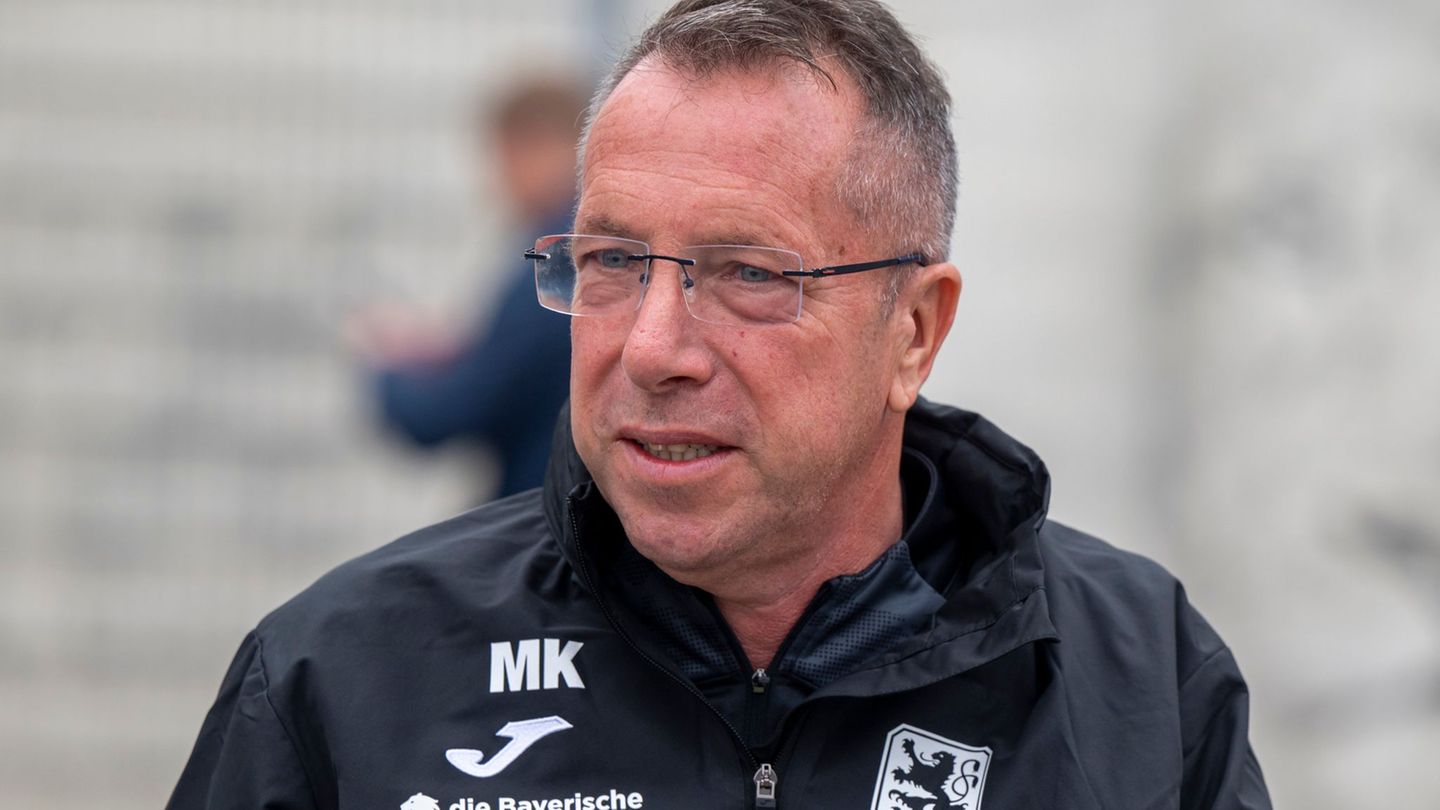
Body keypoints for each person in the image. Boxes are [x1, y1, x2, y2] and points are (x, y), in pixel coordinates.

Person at [169, 2, 1271, 808]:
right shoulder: (343, 682)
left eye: (750, 272)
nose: (652, 348)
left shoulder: (1138, 684)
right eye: (609, 262)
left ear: (915, 331)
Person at [352, 77, 587, 498]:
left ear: (534, 148)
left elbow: (446, 413)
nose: (495, 182)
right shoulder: (602, 247)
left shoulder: (556, 258)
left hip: (543, 514)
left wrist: (386, 366)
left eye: (501, 158)